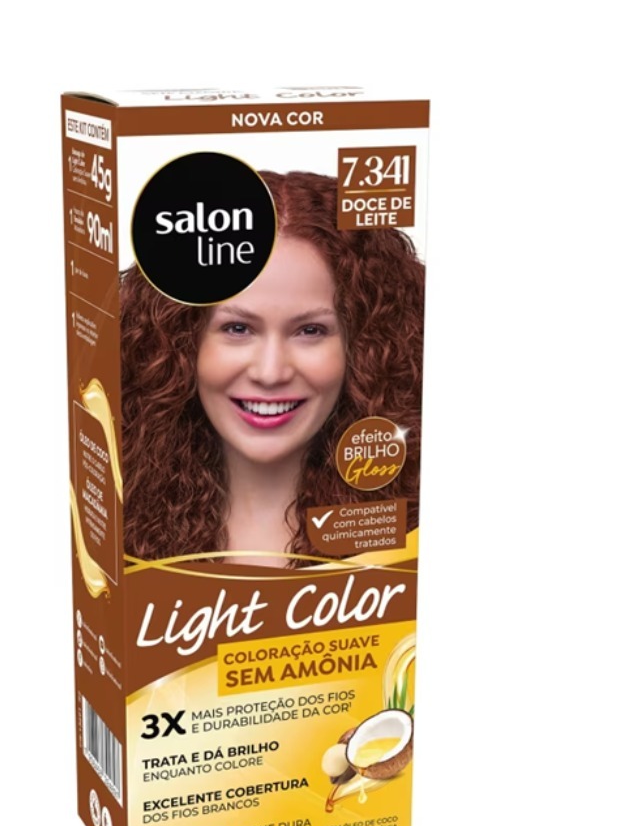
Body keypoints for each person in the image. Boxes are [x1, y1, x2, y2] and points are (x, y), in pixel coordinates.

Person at [120, 170, 424, 567]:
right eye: (238, 328)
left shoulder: (414, 537)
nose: (270, 372)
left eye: (310, 330)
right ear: (178, 341)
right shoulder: (111, 521)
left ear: (367, 346)